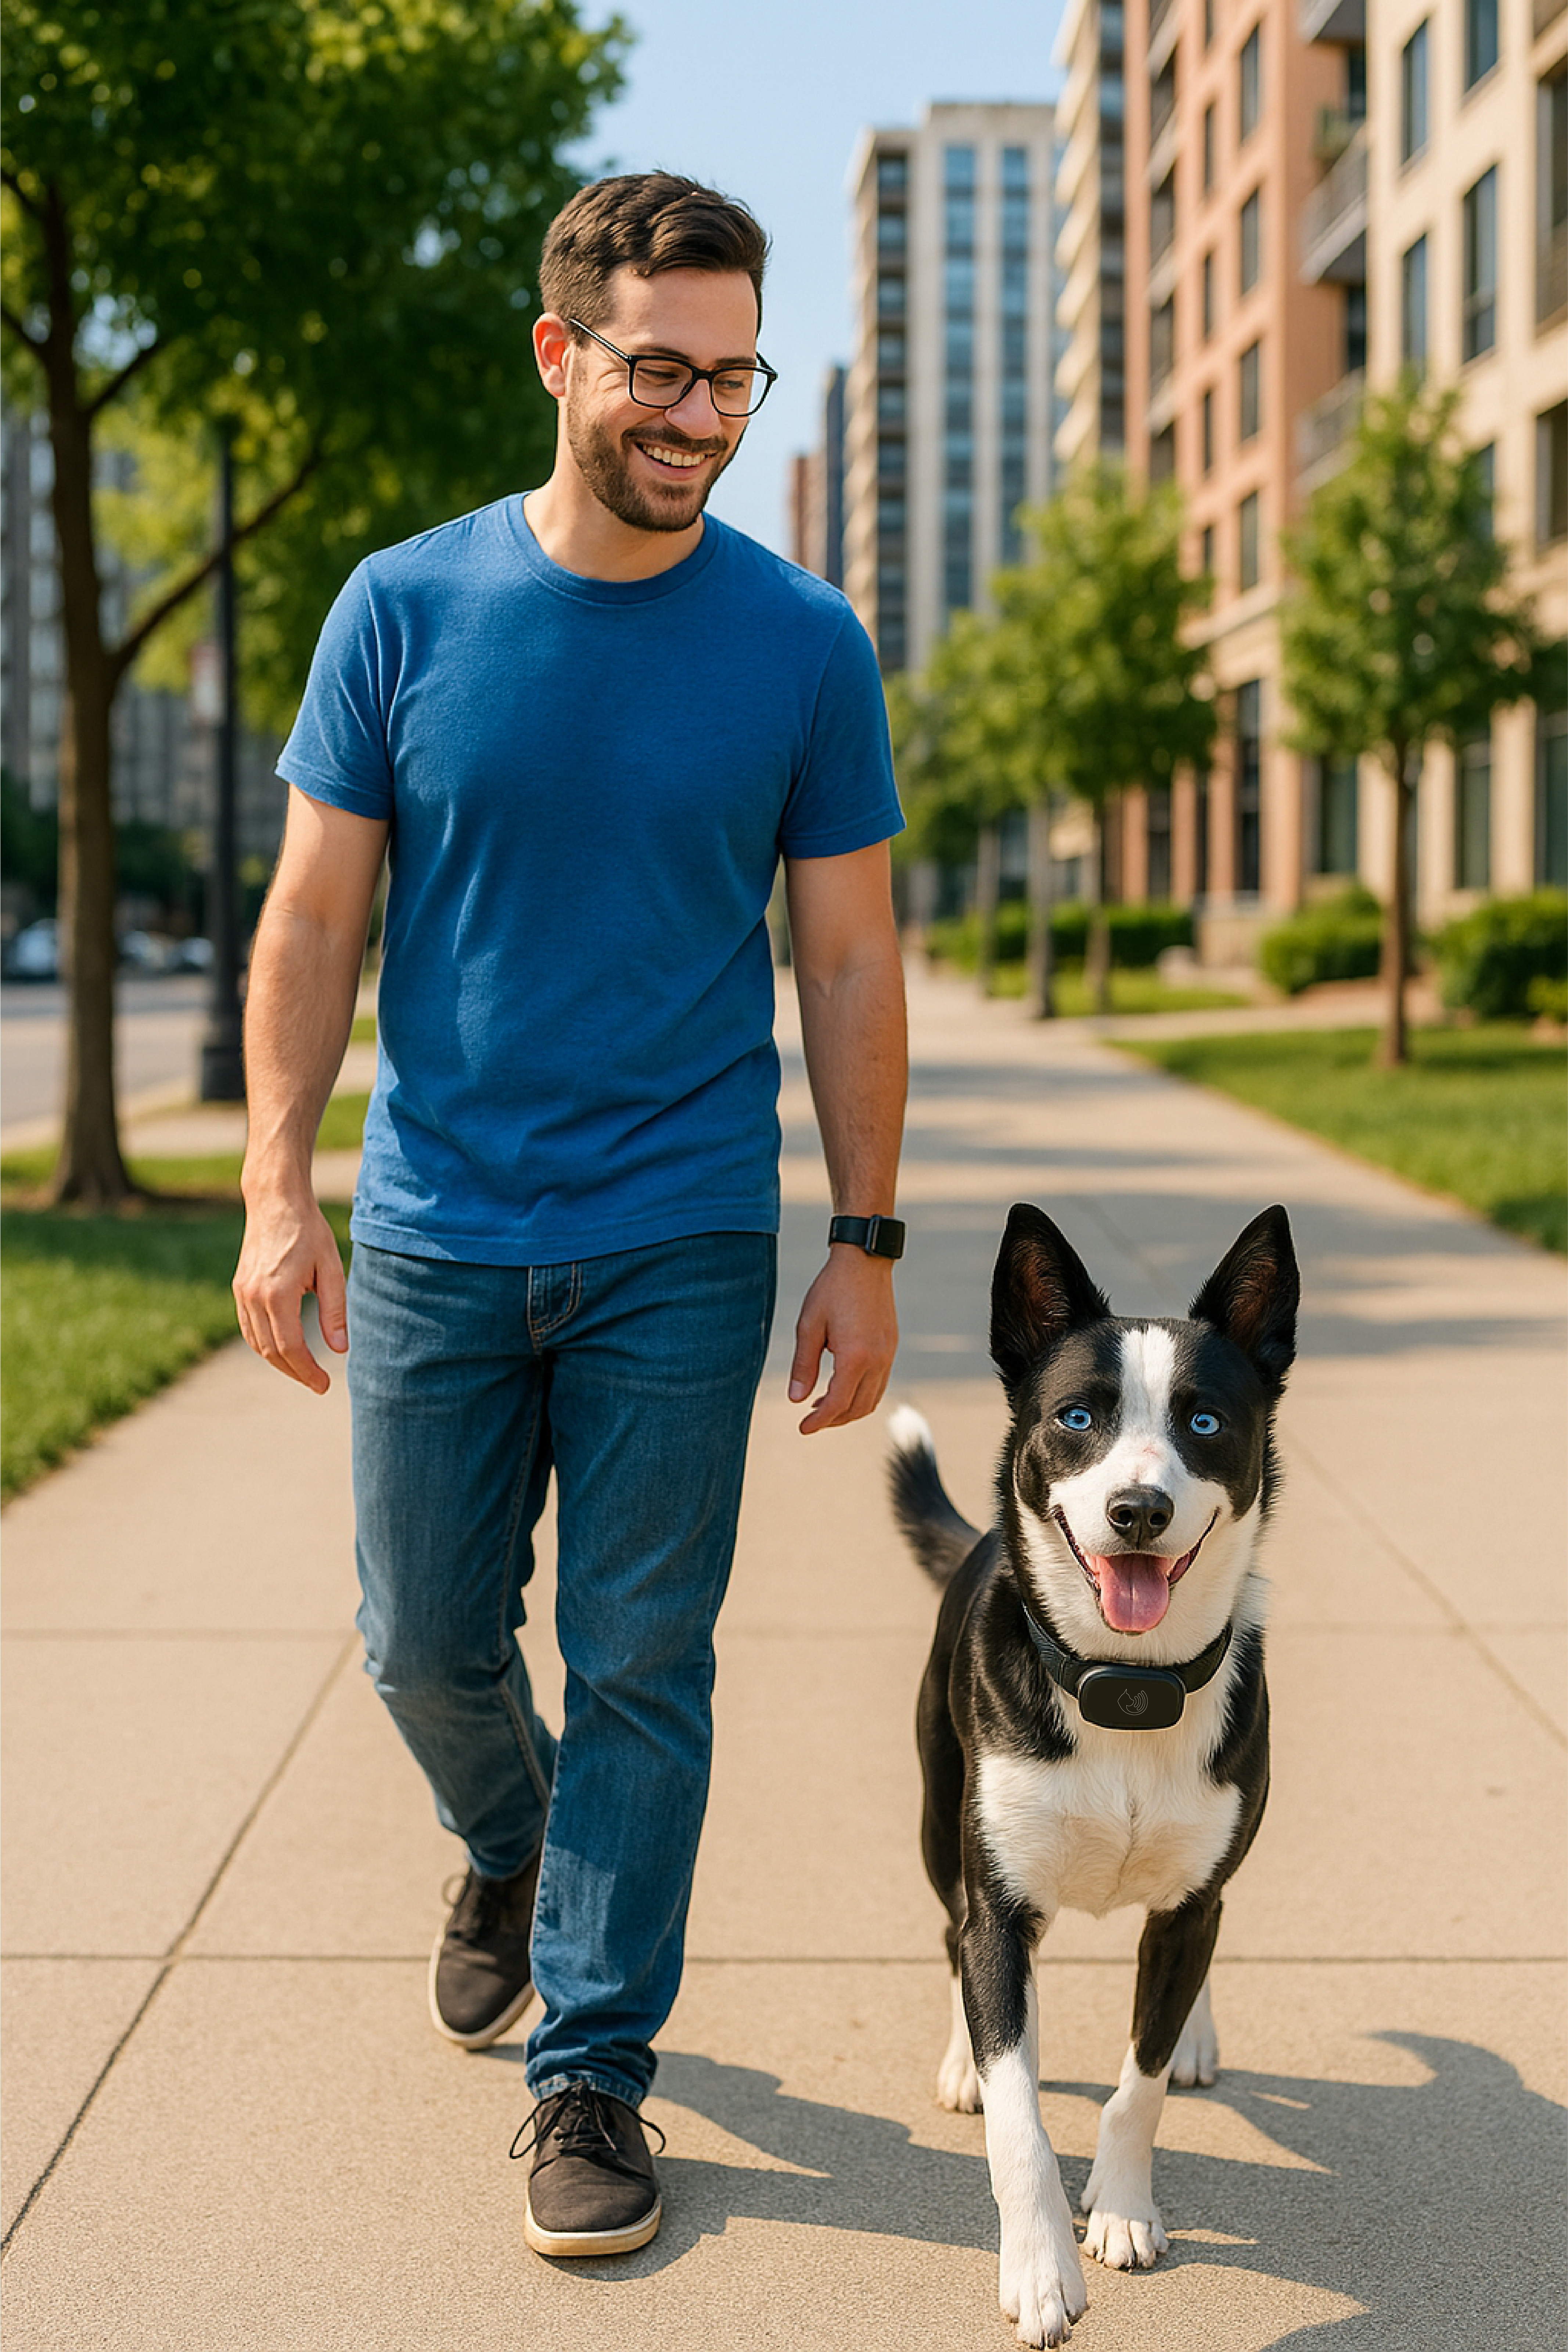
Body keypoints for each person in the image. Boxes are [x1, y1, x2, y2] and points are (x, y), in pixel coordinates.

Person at [233, 173, 907, 2260]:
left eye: (731, 374)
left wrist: (866, 1241)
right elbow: (316, 916)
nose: (696, 413)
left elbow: (854, 963)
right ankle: (507, 1847)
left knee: (639, 1661)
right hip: (437, 1217)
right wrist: (278, 1184)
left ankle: (591, 2072)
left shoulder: (802, 643)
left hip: (682, 1232)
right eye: (655, 370)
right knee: (421, 1637)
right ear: (560, 355)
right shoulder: (402, 610)